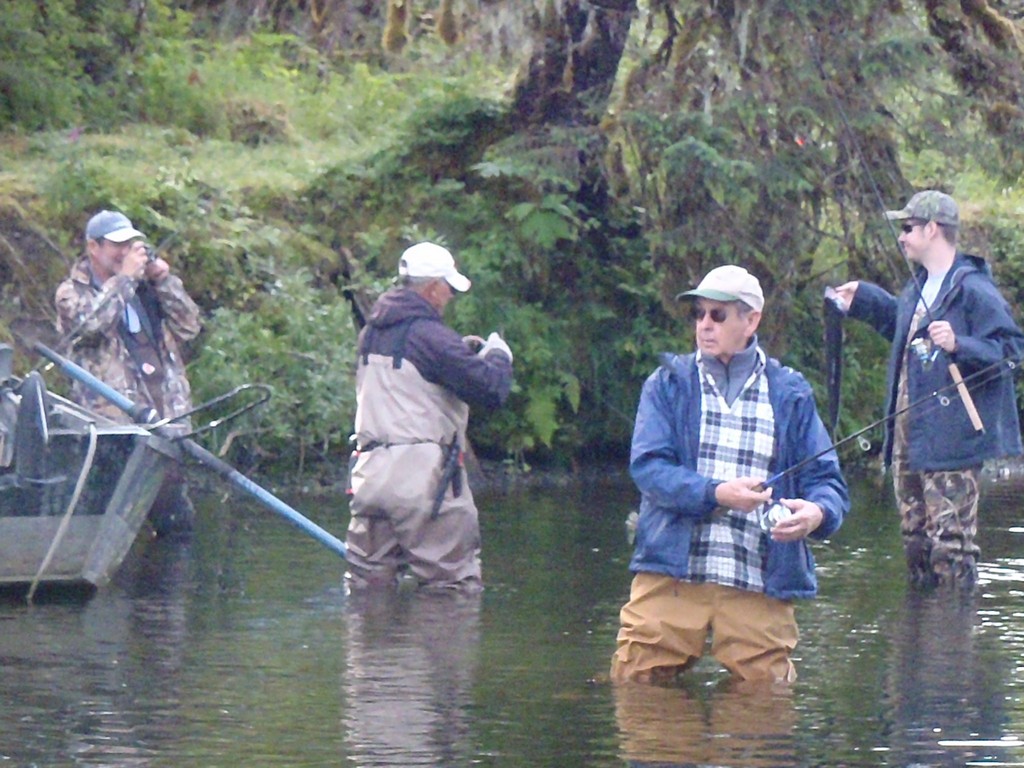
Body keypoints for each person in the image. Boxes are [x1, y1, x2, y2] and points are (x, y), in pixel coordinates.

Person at [610, 265, 848, 684]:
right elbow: (649, 469)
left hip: (759, 578)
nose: (704, 324)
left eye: (717, 315)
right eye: (698, 314)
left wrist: (817, 513)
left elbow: (828, 483)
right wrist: (716, 493)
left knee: (765, 697)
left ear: (751, 320)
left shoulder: (791, 393)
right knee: (638, 685)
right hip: (671, 574)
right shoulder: (666, 384)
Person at [833, 190, 1024, 589]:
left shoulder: (974, 290)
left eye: (908, 228)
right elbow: (906, 332)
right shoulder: (917, 287)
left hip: (953, 442)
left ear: (932, 229)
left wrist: (960, 344)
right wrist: (864, 301)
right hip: (910, 443)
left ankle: (955, 627)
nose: (901, 237)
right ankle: (919, 628)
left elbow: (1011, 352)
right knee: (916, 545)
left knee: (951, 548)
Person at [345, 241, 513, 592]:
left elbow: (414, 378)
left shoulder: (370, 334)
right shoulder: (432, 337)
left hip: (370, 477)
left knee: (367, 586)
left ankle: (366, 630)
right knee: (451, 587)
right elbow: (491, 390)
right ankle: (442, 631)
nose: (450, 295)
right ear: (433, 287)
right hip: (422, 481)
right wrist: (499, 356)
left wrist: (459, 352)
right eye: (449, 287)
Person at [55, 209, 202, 537]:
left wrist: (163, 280)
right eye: (116, 245)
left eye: (130, 244)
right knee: (110, 522)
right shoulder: (71, 293)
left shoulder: (146, 288)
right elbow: (91, 326)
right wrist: (125, 279)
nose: (125, 252)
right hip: (112, 430)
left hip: (166, 422)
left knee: (176, 525)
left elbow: (190, 327)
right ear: (93, 247)